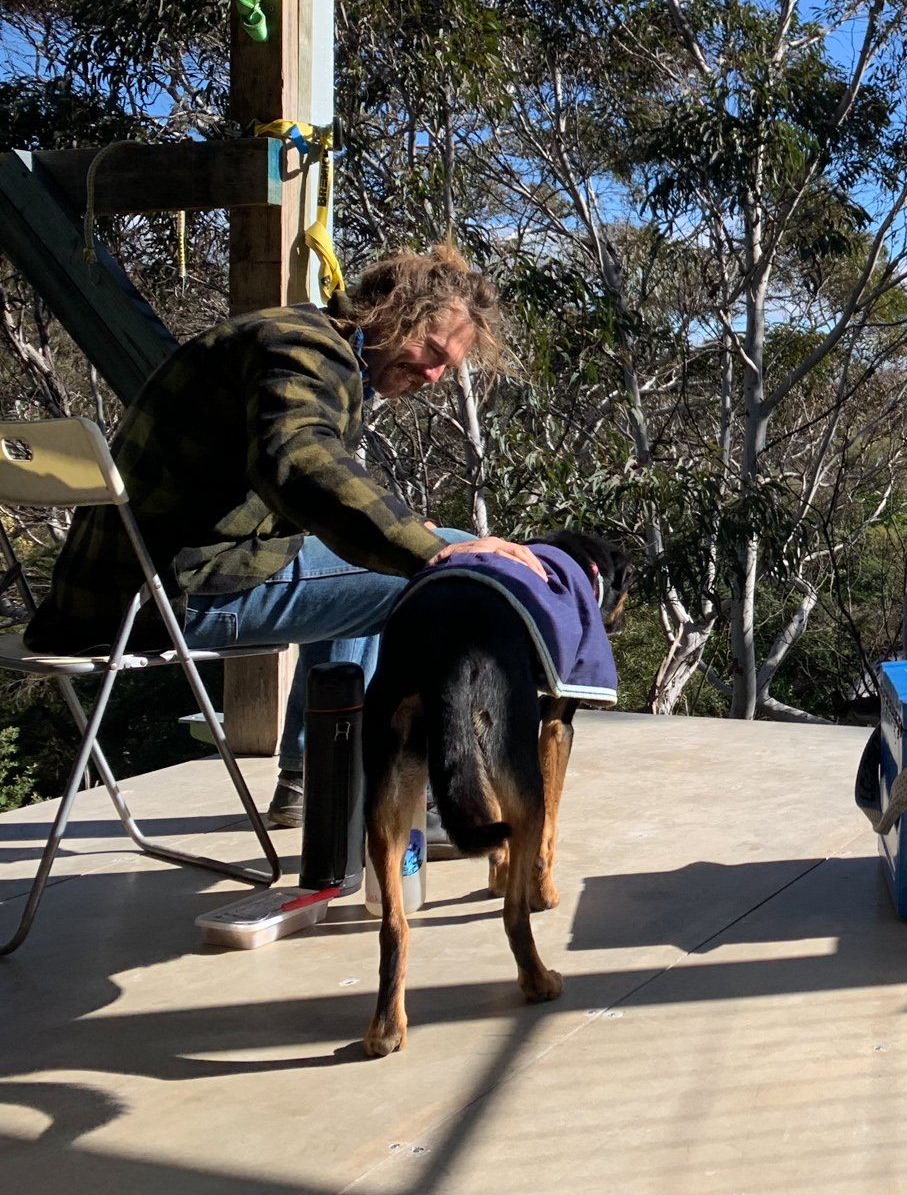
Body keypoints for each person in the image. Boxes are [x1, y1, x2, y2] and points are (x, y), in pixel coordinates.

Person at [26, 244, 546, 827]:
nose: (433, 375)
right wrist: (432, 548)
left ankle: (315, 777)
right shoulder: (305, 348)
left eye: (448, 365)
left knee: (390, 558)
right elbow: (299, 461)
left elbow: (279, 485)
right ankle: (387, 788)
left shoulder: (286, 336)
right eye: (430, 351)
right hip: (164, 600)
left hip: (100, 598)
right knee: (451, 573)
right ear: (391, 311)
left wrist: (401, 527)